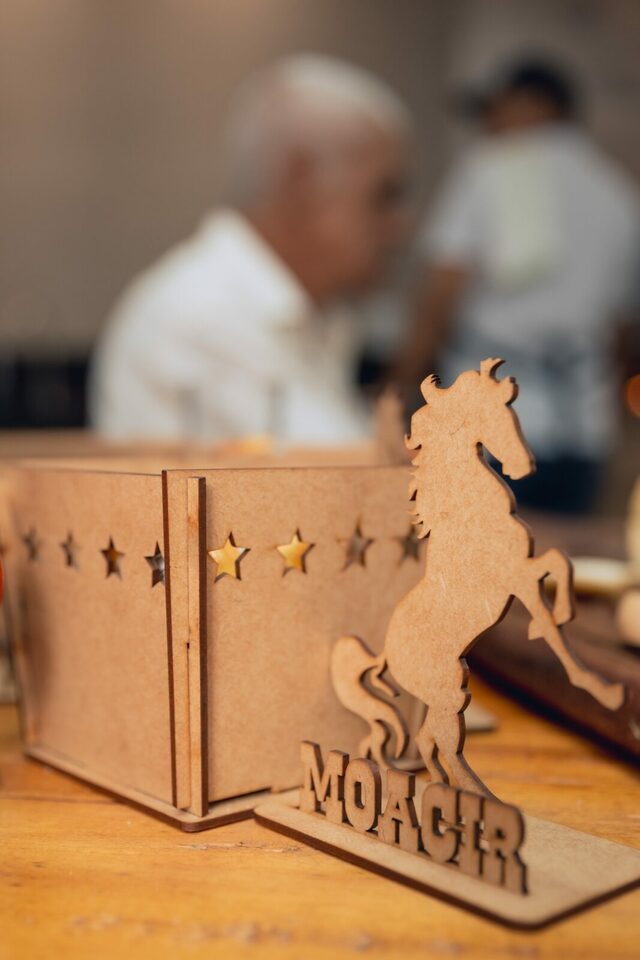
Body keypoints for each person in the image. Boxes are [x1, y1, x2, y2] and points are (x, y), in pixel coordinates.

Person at [91, 55, 411, 443]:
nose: (400, 226)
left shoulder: (315, 318)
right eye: (383, 197)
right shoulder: (198, 316)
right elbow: (333, 471)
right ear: (300, 181)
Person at [393, 58, 640, 513]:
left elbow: (441, 296)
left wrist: (399, 388)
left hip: (490, 425)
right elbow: (620, 334)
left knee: (473, 549)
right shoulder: (620, 195)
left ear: (536, 104)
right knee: (565, 552)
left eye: (497, 108)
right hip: (582, 428)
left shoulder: (490, 168)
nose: (488, 124)